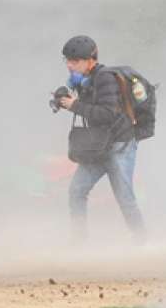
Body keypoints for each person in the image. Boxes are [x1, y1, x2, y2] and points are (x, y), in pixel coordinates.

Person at [57, 35, 146, 243]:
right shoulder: (83, 80)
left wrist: (74, 106)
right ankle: (79, 241)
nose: (70, 65)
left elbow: (108, 114)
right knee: (76, 191)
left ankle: (142, 240)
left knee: (124, 197)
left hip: (119, 146)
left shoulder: (105, 78)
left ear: (91, 60)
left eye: (75, 60)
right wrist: (63, 101)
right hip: (98, 146)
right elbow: (90, 107)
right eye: (67, 60)